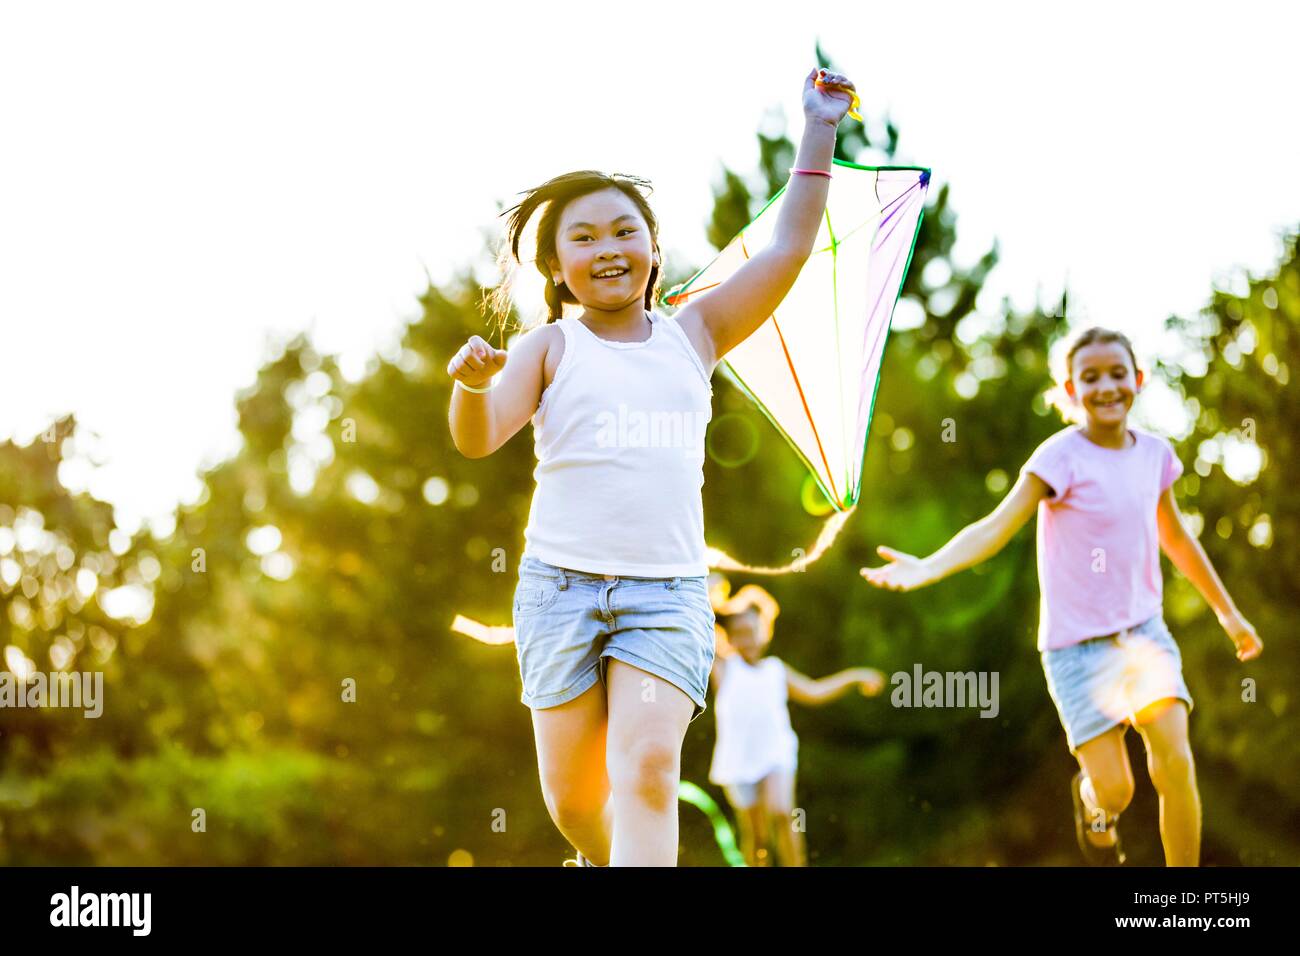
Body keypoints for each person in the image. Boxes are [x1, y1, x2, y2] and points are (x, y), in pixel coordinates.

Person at [446, 69, 860, 866]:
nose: (608, 248)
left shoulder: (695, 332)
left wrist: (818, 127)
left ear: (655, 249)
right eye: (585, 238)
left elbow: (790, 245)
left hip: (665, 595)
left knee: (646, 769)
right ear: (558, 269)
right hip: (558, 590)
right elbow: (478, 436)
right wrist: (469, 388)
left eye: (624, 230)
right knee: (573, 803)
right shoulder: (550, 346)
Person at [861, 326, 1263, 866]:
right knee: (1116, 792)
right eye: (1090, 377)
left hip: (1144, 636)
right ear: (1070, 390)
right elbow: (996, 526)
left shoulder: (1155, 456)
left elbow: (1177, 539)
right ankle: (1092, 804)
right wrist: (930, 567)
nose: (1106, 387)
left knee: (1175, 762)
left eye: (1117, 374)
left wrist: (1230, 615)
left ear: (1138, 380)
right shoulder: (1059, 457)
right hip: (1076, 651)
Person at [708, 582, 884, 866]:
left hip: (776, 753)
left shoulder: (776, 670)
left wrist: (854, 677)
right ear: (728, 638)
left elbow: (815, 692)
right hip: (738, 761)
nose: (748, 640)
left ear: (764, 631)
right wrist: (710, 588)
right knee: (757, 837)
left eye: (752, 632)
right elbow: (701, 624)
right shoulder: (724, 668)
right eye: (739, 634)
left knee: (780, 812)